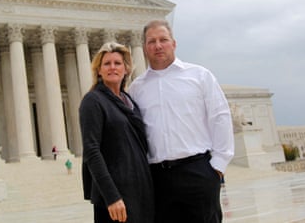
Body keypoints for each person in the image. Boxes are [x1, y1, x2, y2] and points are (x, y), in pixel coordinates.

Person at [129, 19, 235, 223]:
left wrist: (217, 167)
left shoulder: (199, 76)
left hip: (197, 171)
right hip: (158, 178)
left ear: (174, 43)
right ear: (144, 48)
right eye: (151, 41)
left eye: (163, 40)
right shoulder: (137, 88)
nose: (158, 46)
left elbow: (220, 117)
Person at [79, 42, 154, 223]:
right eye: (107, 63)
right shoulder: (93, 100)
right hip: (115, 197)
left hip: (139, 191)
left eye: (117, 63)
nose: (113, 67)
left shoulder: (129, 101)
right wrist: (111, 196)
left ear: (126, 69)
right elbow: (92, 150)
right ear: (98, 70)